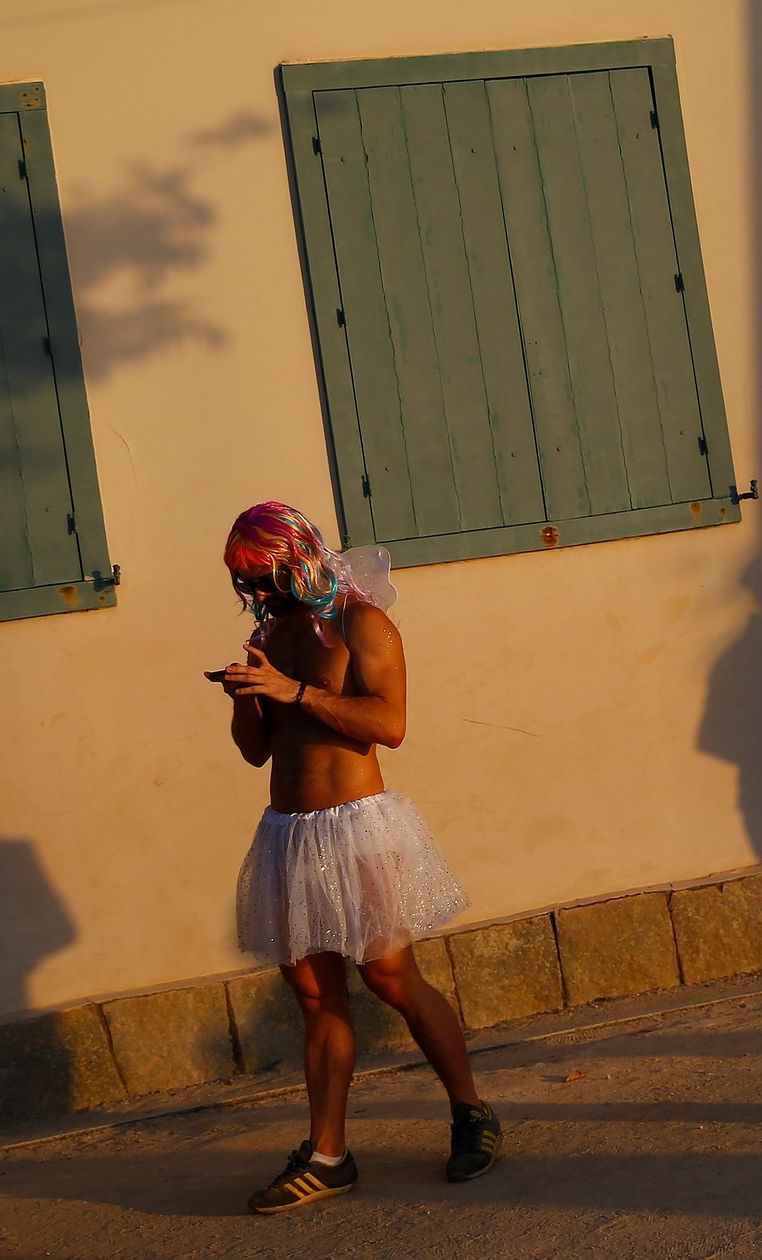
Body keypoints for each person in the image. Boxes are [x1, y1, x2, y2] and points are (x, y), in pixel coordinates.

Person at [210, 502, 500, 1213]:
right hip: (287, 832)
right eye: (248, 580)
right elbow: (256, 752)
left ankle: (471, 1112)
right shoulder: (271, 632)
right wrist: (249, 694)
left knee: (391, 977)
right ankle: (329, 1154)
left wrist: (294, 690)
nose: (260, 591)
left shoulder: (360, 624)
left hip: (358, 828)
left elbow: (389, 726)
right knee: (315, 996)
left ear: (295, 558)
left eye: (265, 575)